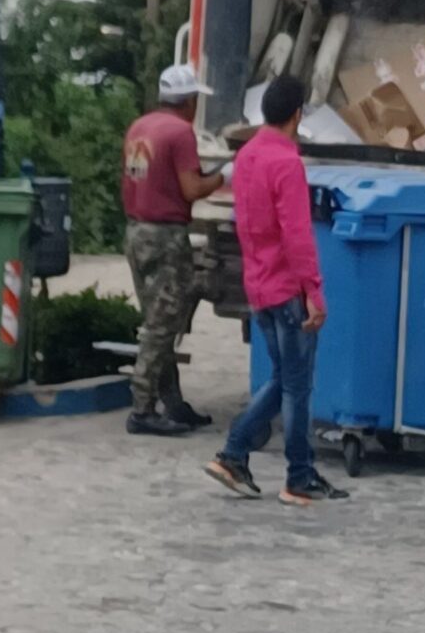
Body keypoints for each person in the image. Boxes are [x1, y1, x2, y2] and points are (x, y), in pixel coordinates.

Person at [205, 74, 349, 506]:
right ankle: (293, 474)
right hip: (287, 289)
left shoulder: (247, 156)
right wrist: (314, 293)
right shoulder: (286, 163)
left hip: (258, 286)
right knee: (297, 387)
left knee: (286, 378)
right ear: (297, 115)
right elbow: (297, 235)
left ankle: (239, 457)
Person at [121, 63, 230, 437]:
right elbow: (191, 189)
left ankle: (173, 403)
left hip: (136, 231)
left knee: (158, 319)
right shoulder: (181, 133)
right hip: (166, 236)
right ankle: (142, 408)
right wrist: (223, 176)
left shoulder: (140, 127)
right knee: (162, 325)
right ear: (189, 101)